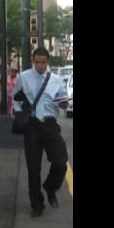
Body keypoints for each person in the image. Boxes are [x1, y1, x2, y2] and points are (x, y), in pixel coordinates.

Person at [12, 47, 69, 218]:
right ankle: (37, 204)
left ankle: (50, 186)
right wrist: (19, 113)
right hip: (33, 126)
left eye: (43, 62)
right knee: (33, 167)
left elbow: (63, 101)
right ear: (33, 61)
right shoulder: (24, 77)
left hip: (50, 124)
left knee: (60, 161)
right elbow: (15, 97)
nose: (40, 66)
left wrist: (63, 103)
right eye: (37, 62)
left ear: (48, 62)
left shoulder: (56, 80)